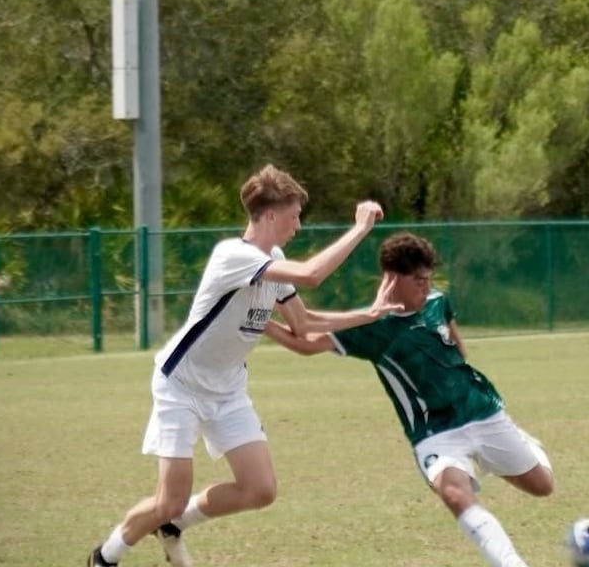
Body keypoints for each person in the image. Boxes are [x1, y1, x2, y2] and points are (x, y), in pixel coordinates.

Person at [88, 165, 386, 567]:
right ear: (269, 216)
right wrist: (361, 228)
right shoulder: (234, 256)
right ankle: (106, 556)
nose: (298, 225)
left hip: (227, 390)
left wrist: (366, 315)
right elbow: (312, 274)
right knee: (168, 499)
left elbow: (303, 324)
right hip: (181, 386)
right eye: (294, 215)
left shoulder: (274, 258)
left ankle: (176, 525)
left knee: (260, 489)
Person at [265, 232, 554, 567]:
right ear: (392, 278)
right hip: (434, 433)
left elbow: (458, 347)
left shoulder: (437, 302)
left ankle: (522, 441)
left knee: (542, 487)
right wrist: (260, 322)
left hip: (482, 411)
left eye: (428, 279)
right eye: (418, 280)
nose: (425, 287)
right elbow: (305, 342)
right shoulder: (370, 326)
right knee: (455, 493)